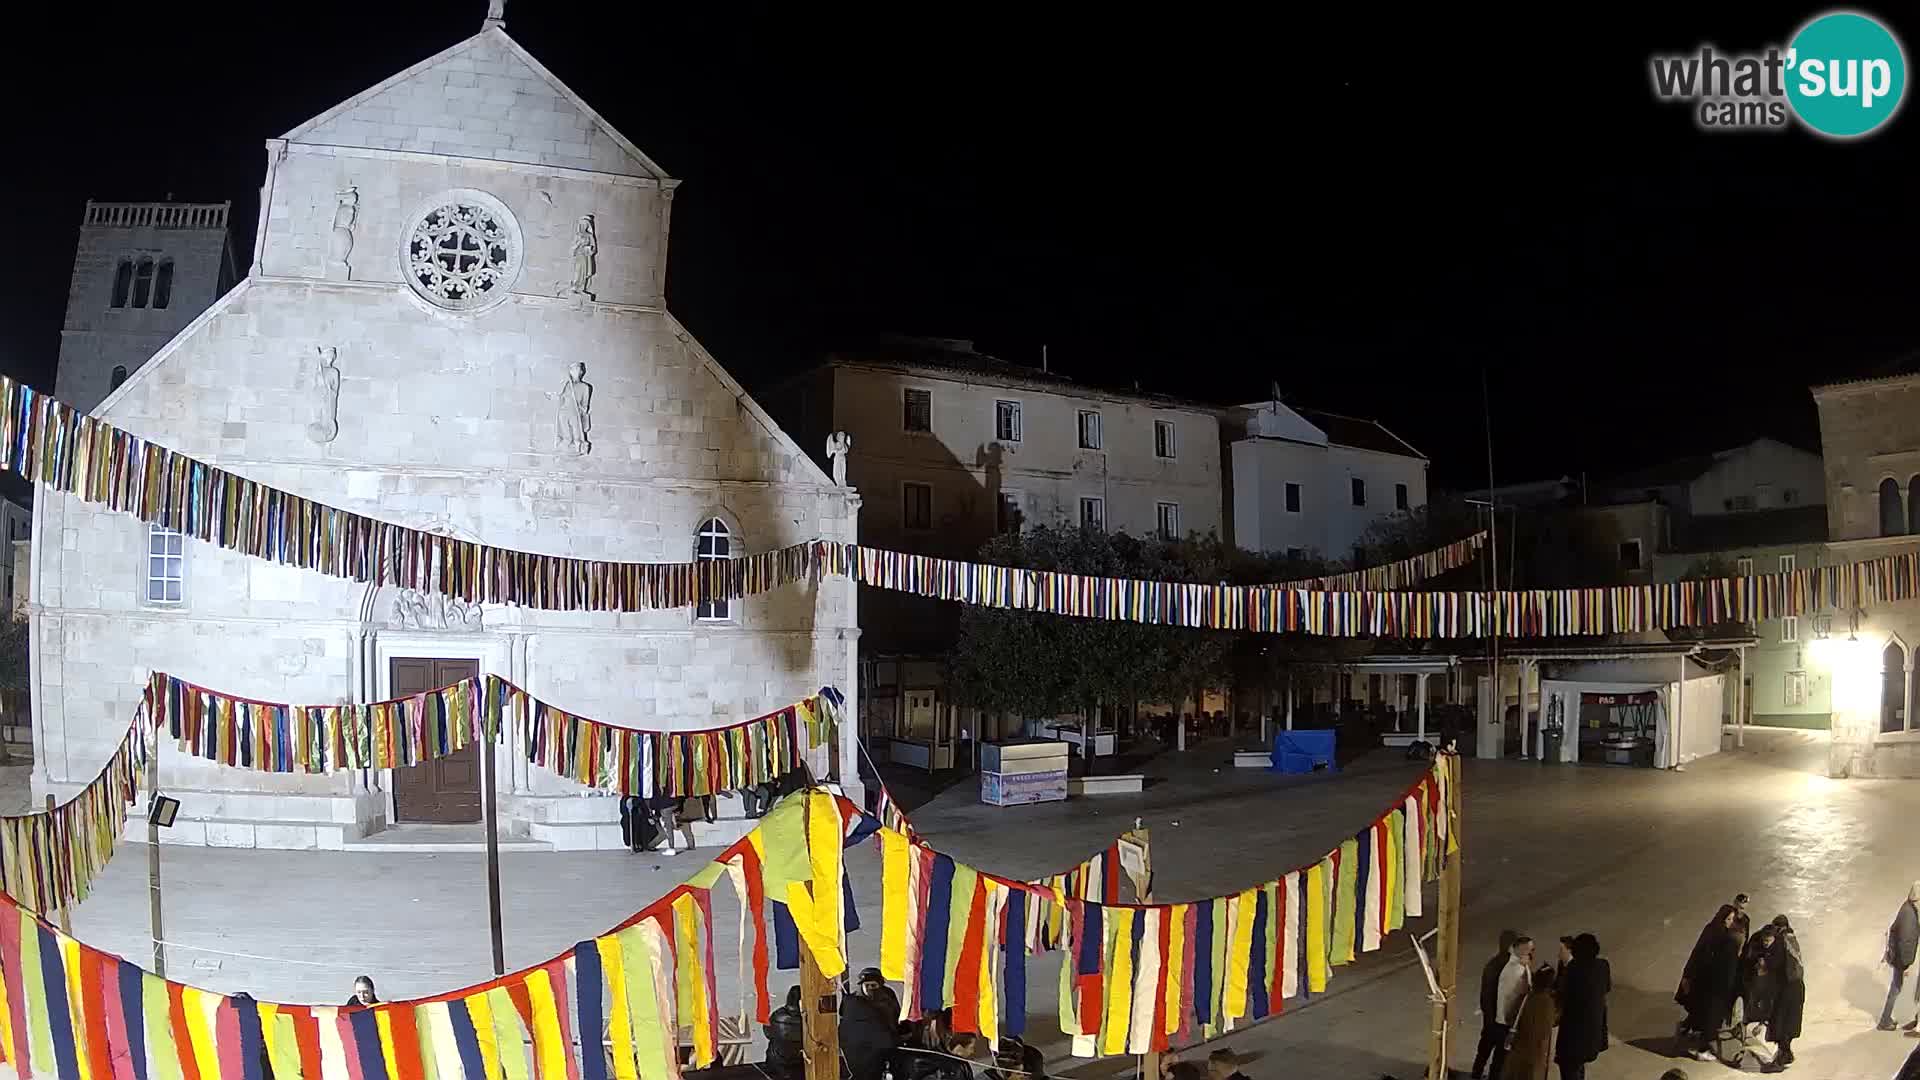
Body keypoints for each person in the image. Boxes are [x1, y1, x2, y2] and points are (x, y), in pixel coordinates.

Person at [1677, 904, 1742, 1060]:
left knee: (1702, 1012)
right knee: (1711, 1016)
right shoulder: (1724, 939)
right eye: (1728, 919)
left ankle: (1693, 1033)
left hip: (1704, 981)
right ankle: (1702, 1050)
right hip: (1712, 984)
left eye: (1732, 919)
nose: (1730, 922)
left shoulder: (1712, 930)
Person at [1555, 933, 1610, 1080]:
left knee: (1569, 1069)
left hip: (1573, 1039)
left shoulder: (1574, 969)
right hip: (1593, 1036)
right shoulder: (1603, 966)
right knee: (1578, 1067)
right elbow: (1606, 988)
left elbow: (1563, 997)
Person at [1472, 930, 1523, 1080]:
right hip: (1503, 1020)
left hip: (1490, 1020)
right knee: (1500, 1057)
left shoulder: (1492, 964)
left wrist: (1488, 1018)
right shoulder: (1512, 967)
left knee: (1483, 1052)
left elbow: (1485, 995)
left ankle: (1476, 1074)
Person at [1501, 966, 1560, 1080]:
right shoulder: (1549, 1003)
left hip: (1519, 1050)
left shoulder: (1525, 998)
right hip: (1537, 1055)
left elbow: (1509, 1017)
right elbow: (1550, 1025)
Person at [839, 970, 901, 1080]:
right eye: (867, 985)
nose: (870, 988)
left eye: (873, 985)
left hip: (878, 1051)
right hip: (857, 1051)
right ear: (861, 986)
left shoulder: (888, 999)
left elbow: (895, 1021)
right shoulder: (852, 1002)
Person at [1765, 915, 1805, 1069]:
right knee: (1789, 1021)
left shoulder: (1781, 941)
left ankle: (1780, 1059)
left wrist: (1765, 961)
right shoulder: (1792, 939)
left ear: (1778, 928)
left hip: (1786, 987)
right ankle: (1786, 1053)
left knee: (1780, 1021)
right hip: (1798, 986)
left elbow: (1776, 963)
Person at [1884, 883, 1920, 1031]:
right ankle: (1885, 1020)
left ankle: (1916, 1020)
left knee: (1896, 987)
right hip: (1900, 958)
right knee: (1896, 988)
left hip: (1897, 955)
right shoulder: (1910, 915)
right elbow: (1905, 941)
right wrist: (1906, 964)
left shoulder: (1908, 909)